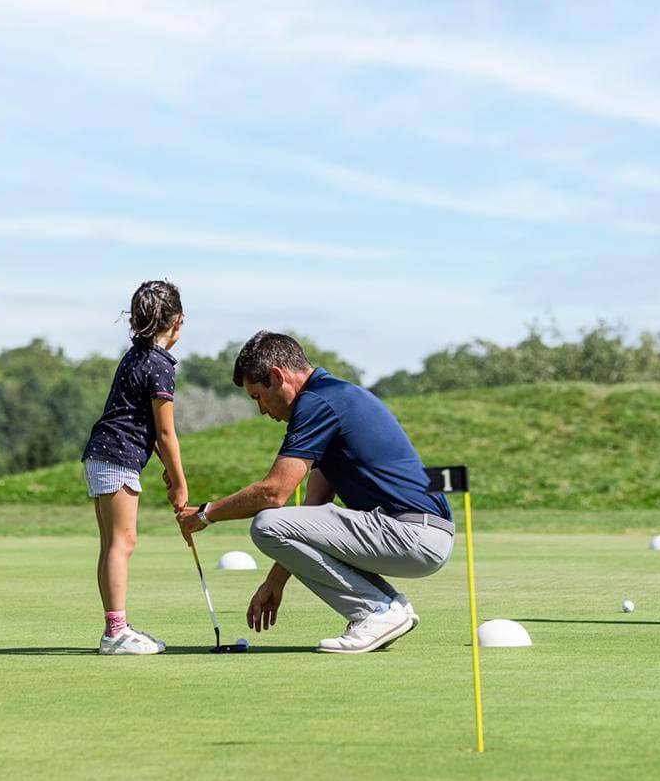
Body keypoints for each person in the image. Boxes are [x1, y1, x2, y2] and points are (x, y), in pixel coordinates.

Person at [175, 331, 453, 654]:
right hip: (423, 534)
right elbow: (313, 508)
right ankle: (388, 607)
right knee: (277, 524)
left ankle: (377, 611)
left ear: (278, 377)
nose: (262, 410)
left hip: (412, 533)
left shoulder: (316, 402)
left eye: (258, 397)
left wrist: (206, 514)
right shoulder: (331, 396)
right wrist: (274, 581)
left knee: (266, 523)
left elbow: (274, 493)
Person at [82, 280, 189, 654]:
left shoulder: (135, 356)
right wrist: (179, 482)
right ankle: (115, 633)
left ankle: (117, 626)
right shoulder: (160, 366)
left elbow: (144, 425)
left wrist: (163, 464)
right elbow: (165, 432)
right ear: (178, 321)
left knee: (113, 543)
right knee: (122, 543)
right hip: (116, 457)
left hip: (104, 454)